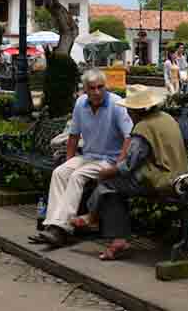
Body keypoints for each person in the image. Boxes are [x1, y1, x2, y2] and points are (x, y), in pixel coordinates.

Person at [75, 85, 188, 261]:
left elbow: (129, 165)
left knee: (107, 185)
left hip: (162, 180)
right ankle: (111, 233)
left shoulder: (143, 128)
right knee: (114, 187)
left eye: (129, 109)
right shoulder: (166, 118)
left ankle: (95, 218)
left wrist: (107, 172)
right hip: (181, 177)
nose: (127, 113)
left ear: (136, 111)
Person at [32, 69, 132, 247]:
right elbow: (74, 134)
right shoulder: (80, 103)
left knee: (77, 176)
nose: (97, 92)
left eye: (100, 87)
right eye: (92, 88)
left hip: (109, 159)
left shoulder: (117, 104)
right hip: (88, 155)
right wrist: (69, 159)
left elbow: (128, 137)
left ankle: (61, 229)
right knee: (60, 172)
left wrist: (118, 165)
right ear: (85, 89)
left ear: (105, 87)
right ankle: (51, 226)